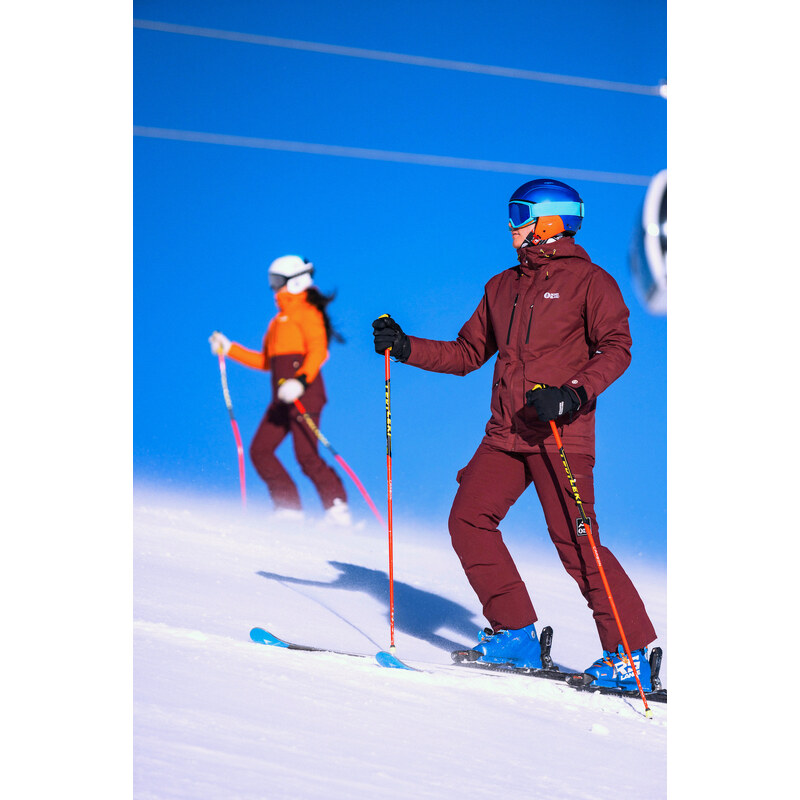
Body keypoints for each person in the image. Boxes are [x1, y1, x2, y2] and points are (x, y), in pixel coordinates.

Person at [371, 179, 659, 690]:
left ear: (553, 220)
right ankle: (516, 634)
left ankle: (629, 655)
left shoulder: (592, 282)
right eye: (511, 212)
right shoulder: (501, 287)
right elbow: (466, 354)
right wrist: (406, 345)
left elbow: (617, 347)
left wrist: (572, 393)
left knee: (577, 541)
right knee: (468, 520)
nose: (511, 223)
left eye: (520, 212)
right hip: (507, 433)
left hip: (558, 432)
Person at [210, 254, 351, 526]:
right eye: (271, 282)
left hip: (305, 394)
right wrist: (229, 349)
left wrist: (300, 381)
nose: (274, 289)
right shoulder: (276, 323)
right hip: (281, 399)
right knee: (260, 451)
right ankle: (288, 507)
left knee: (306, 455)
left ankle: (337, 507)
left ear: (296, 281)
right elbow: (265, 362)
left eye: (278, 281)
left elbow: (318, 350)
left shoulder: (307, 313)